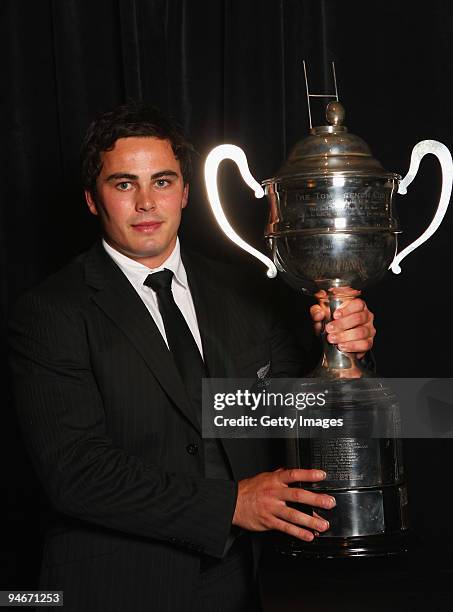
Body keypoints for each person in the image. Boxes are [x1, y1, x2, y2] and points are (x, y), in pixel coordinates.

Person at [8, 102, 376, 612]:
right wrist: (231, 504)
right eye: (122, 184)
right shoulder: (50, 312)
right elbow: (75, 473)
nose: (145, 203)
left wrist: (338, 348)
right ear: (93, 200)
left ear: (184, 191)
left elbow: (291, 416)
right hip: (117, 586)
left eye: (161, 182)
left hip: (252, 582)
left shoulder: (247, 291)